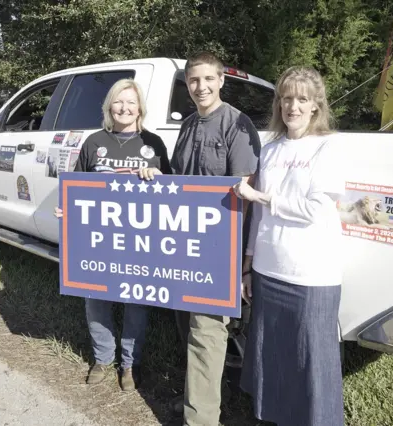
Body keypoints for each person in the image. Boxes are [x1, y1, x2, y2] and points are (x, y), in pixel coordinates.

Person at [139, 51, 261, 426]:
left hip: (218, 252)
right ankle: (199, 395)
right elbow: (180, 180)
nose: (201, 87)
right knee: (186, 328)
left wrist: (243, 263)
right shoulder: (190, 125)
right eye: (194, 80)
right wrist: (158, 177)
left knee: (206, 332)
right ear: (186, 85)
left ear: (221, 81)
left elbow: (246, 192)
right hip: (184, 249)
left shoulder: (237, 125)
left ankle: (200, 418)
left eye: (208, 79)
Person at [232, 66, 346, 426]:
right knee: (273, 356)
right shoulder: (271, 149)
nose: (292, 106)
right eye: (286, 98)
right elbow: (259, 221)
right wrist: (248, 266)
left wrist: (261, 196)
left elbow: (315, 209)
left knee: (312, 361)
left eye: (301, 99)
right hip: (267, 269)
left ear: (315, 106)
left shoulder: (328, 147)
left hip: (310, 274)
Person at [55, 78, 172, 391]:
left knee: (137, 302)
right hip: (98, 242)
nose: (124, 108)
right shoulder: (94, 142)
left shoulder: (154, 144)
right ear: (109, 107)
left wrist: (157, 176)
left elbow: (173, 196)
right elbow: (75, 189)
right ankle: (103, 359)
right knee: (96, 300)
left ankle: (129, 364)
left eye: (131, 102)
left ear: (140, 108)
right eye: (118, 102)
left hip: (139, 241)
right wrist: (66, 210)